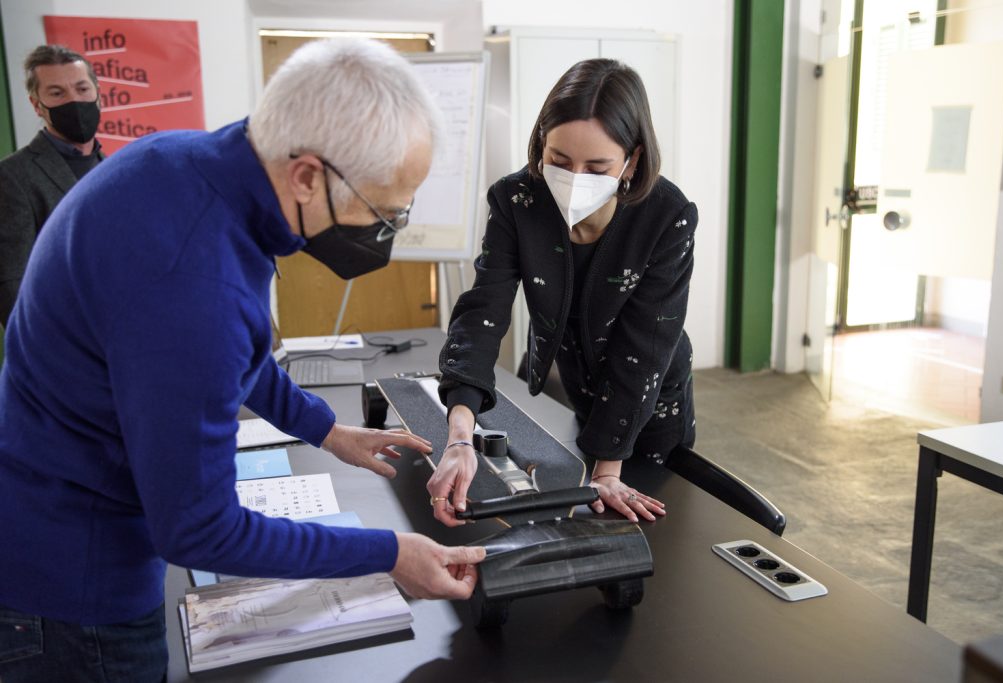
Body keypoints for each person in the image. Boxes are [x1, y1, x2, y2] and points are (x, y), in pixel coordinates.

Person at [0, 38, 484, 681]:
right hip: (76, 591)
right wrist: (390, 552)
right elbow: (198, 530)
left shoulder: (182, 162)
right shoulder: (193, 279)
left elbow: (236, 351)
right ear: (308, 176)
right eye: (384, 211)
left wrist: (328, 430)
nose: (389, 231)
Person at [428, 59, 698, 527]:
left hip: (650, 399)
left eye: (597, 166)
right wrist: (458, 437)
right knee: (579, 492)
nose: (574, 178)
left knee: (641, 524)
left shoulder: (666, 216)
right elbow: (482, 314)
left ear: (631, 159)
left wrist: (608, 471)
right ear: (540, 145)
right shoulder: (518, 201)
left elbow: (644, 349)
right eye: (558, 161)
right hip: (576, 378)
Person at [0, 44, 104, 328]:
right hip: (61, 346)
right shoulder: (12, 176)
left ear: (98, 93)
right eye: (57, 93)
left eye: (83, 89)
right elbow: (11, 281)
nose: (74, 100)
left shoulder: (115, 168)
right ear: (37, 105)